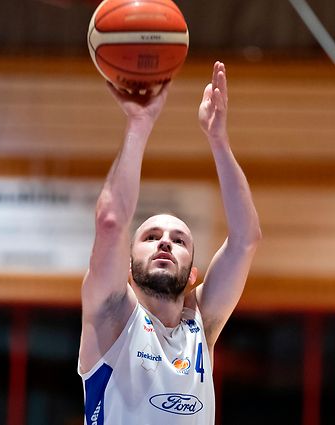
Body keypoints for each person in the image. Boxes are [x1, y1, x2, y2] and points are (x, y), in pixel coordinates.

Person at [78, 61, 261, 425]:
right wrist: (139, 125)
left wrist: (218, 140)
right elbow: (111, 222)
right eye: (151, 237)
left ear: (192, 274)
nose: (164, 243)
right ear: (128, 267)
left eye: (179, 240)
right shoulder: (112, 315)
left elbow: (245, 239)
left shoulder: (202, 324)